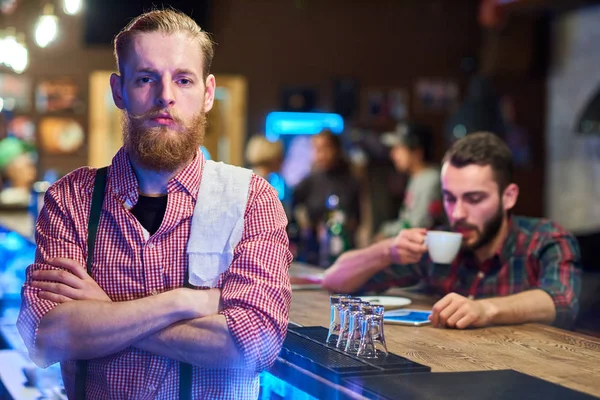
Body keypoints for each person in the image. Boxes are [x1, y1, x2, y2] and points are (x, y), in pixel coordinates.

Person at [17, 9, 292, 399]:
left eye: (184, 79)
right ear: (119, 90)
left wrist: (105, 311)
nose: (166, 96)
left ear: (208, 92)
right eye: (146, 78)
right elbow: (45, 338)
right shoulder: (71, 200)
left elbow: (254, 344)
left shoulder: (250, 200)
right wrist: (185, 302)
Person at [322, 132, 581, 330]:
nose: (457, 213)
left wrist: (484, 309)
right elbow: (334, 280)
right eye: (449, 198)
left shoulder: (545, 239)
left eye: (474, 199)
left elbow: (561, 300)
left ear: (508, 197)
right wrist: (386, 251)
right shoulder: (437, 243)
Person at [375, 122, 443, 240]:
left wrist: (386, 232)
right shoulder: (417, 176)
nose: (393, 155)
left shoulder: (431, 180)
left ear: (417, 152)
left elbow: (418, 225)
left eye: (399, 148)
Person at [293, 129, 361, 246]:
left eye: (325, 148)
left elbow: (357, 218)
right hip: (313, 249)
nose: (320, 154)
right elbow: (294, 207)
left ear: (337, 149)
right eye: (316, 149)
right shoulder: (309, 181)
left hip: (343, 246)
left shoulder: (352, 180)